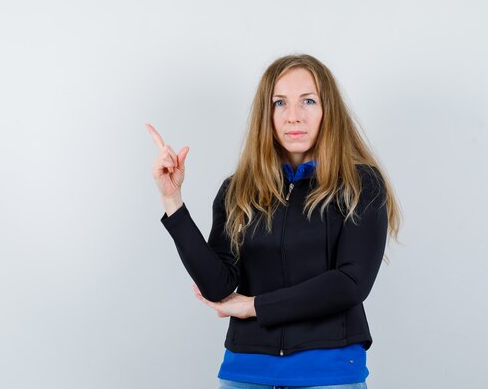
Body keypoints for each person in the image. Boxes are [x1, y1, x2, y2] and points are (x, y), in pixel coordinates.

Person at [146, 54, 401, 389]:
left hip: (328, 373)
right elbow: (218, 286)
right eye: (280, 103)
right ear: (266, 115)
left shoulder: (360, 184)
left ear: (329, 111)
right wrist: (172, 200)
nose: (293, 116)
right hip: (245, 372)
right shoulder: (237, 190)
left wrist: (255, 307)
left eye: (308, 101)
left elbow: (350, 283)